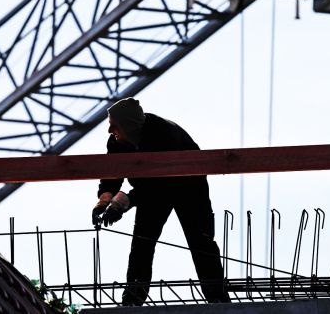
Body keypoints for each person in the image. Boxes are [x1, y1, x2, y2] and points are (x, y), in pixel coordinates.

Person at [91, 97, 231, 306]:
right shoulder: (117, 142)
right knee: (142, 243)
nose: (110, 130)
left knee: (201, 242)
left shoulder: (163, 133)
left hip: (188, 186)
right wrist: (104, 201)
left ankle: (217, 297)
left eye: (114, 124)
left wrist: (124, 201)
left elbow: (162, 182)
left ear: (129, 125)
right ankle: (133, 299)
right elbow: (113, 173)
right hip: (148, 189)